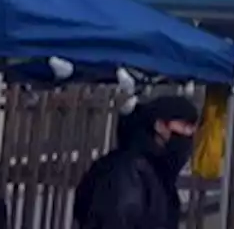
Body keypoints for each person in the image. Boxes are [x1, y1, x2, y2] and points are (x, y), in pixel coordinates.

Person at [73, 95, 199, 229]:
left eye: (192, 129)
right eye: (184, 126)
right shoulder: (130, 171)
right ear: (160, 126)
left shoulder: (157, 171)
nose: (190, 134)